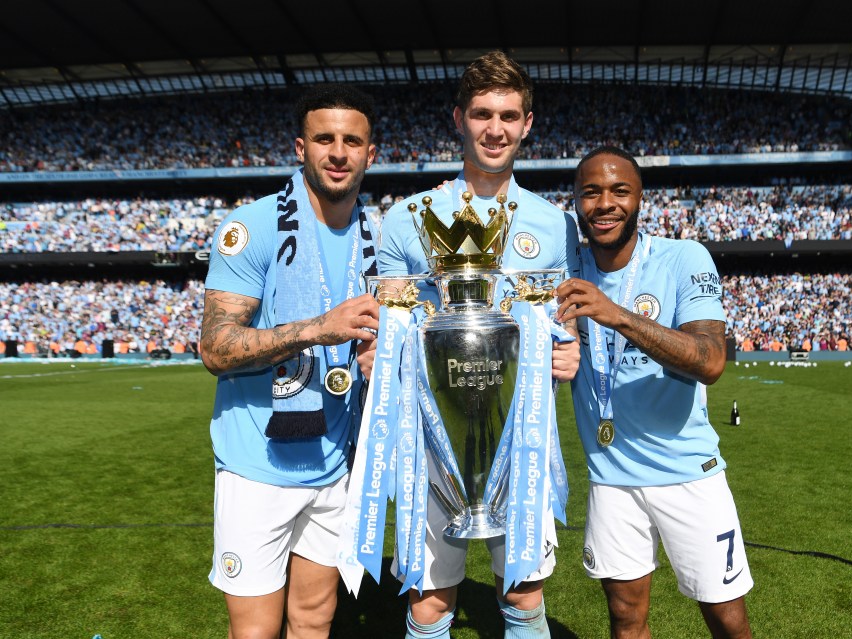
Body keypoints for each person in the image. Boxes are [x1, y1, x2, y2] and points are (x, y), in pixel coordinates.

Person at [375, 50, 581, 639]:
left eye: (509, 116)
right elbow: (385, 333)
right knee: (430, 604)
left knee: (522, 591)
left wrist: (570, 351)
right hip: (432, 440)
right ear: (458, 118)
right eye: (483, 114)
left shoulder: (552, 223)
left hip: (522, 433)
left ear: (528, 124)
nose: (496, 129)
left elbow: (565, 326)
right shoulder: (408, 219)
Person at [199, 84, 381, 639]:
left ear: (371, 154)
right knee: (255, 633)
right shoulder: (251, 226)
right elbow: (215, 347)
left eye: (352, 140)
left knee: (313, 624)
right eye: (324, 138)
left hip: (336, 465)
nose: (338, 152)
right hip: (259, 466)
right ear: (300, 148)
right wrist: (318, 329)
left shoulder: (381, 235)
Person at [554, 146, 754, 639]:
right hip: (610, 477)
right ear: (576, 202)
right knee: (625, 619)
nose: (605, 203)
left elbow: (711, 361)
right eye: (591, 192)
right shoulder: (564, 268)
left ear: (641, 198)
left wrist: (617, 314)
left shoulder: (683, 257)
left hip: (689, 473)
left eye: (620, 190)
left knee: (728, 620)